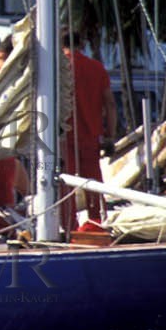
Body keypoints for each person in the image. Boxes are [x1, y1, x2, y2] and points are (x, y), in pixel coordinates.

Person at [62, 30, 118, 229]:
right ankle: (96, 224)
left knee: (63, 184)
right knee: (93, 184)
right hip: (90, 136)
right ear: (82, 44)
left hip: (63, 137)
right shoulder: (96, 68)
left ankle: (68, 227)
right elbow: (110, 103)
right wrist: (110, 136)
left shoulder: (58, 69)